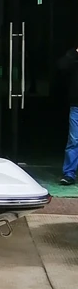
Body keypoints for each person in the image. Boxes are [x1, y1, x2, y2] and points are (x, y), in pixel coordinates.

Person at [59, 46, 78, 186]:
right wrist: (75, 53)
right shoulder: (73, 56)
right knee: (74, 140)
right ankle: (69, 173)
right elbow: (62, 66)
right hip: (76, 105)